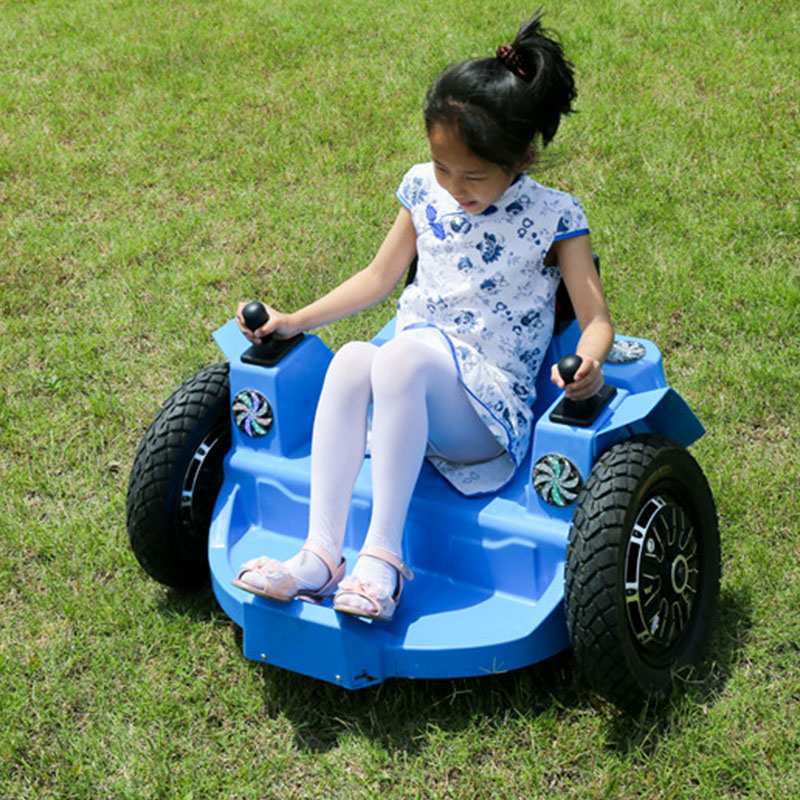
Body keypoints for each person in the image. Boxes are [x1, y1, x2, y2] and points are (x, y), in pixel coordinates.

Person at [231, 10, 614, 622]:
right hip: (406, 389)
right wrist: (295, 319)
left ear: (521, 157)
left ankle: (381, 561)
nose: (454, 186)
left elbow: (595, 319)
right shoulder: (421, 189)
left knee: (401, 358)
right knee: (354, 359)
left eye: (474, 175)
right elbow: (379, 278)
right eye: (442, 167)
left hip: (483, 414)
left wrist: (588, 365)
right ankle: (319, 555)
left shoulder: (556, 215)